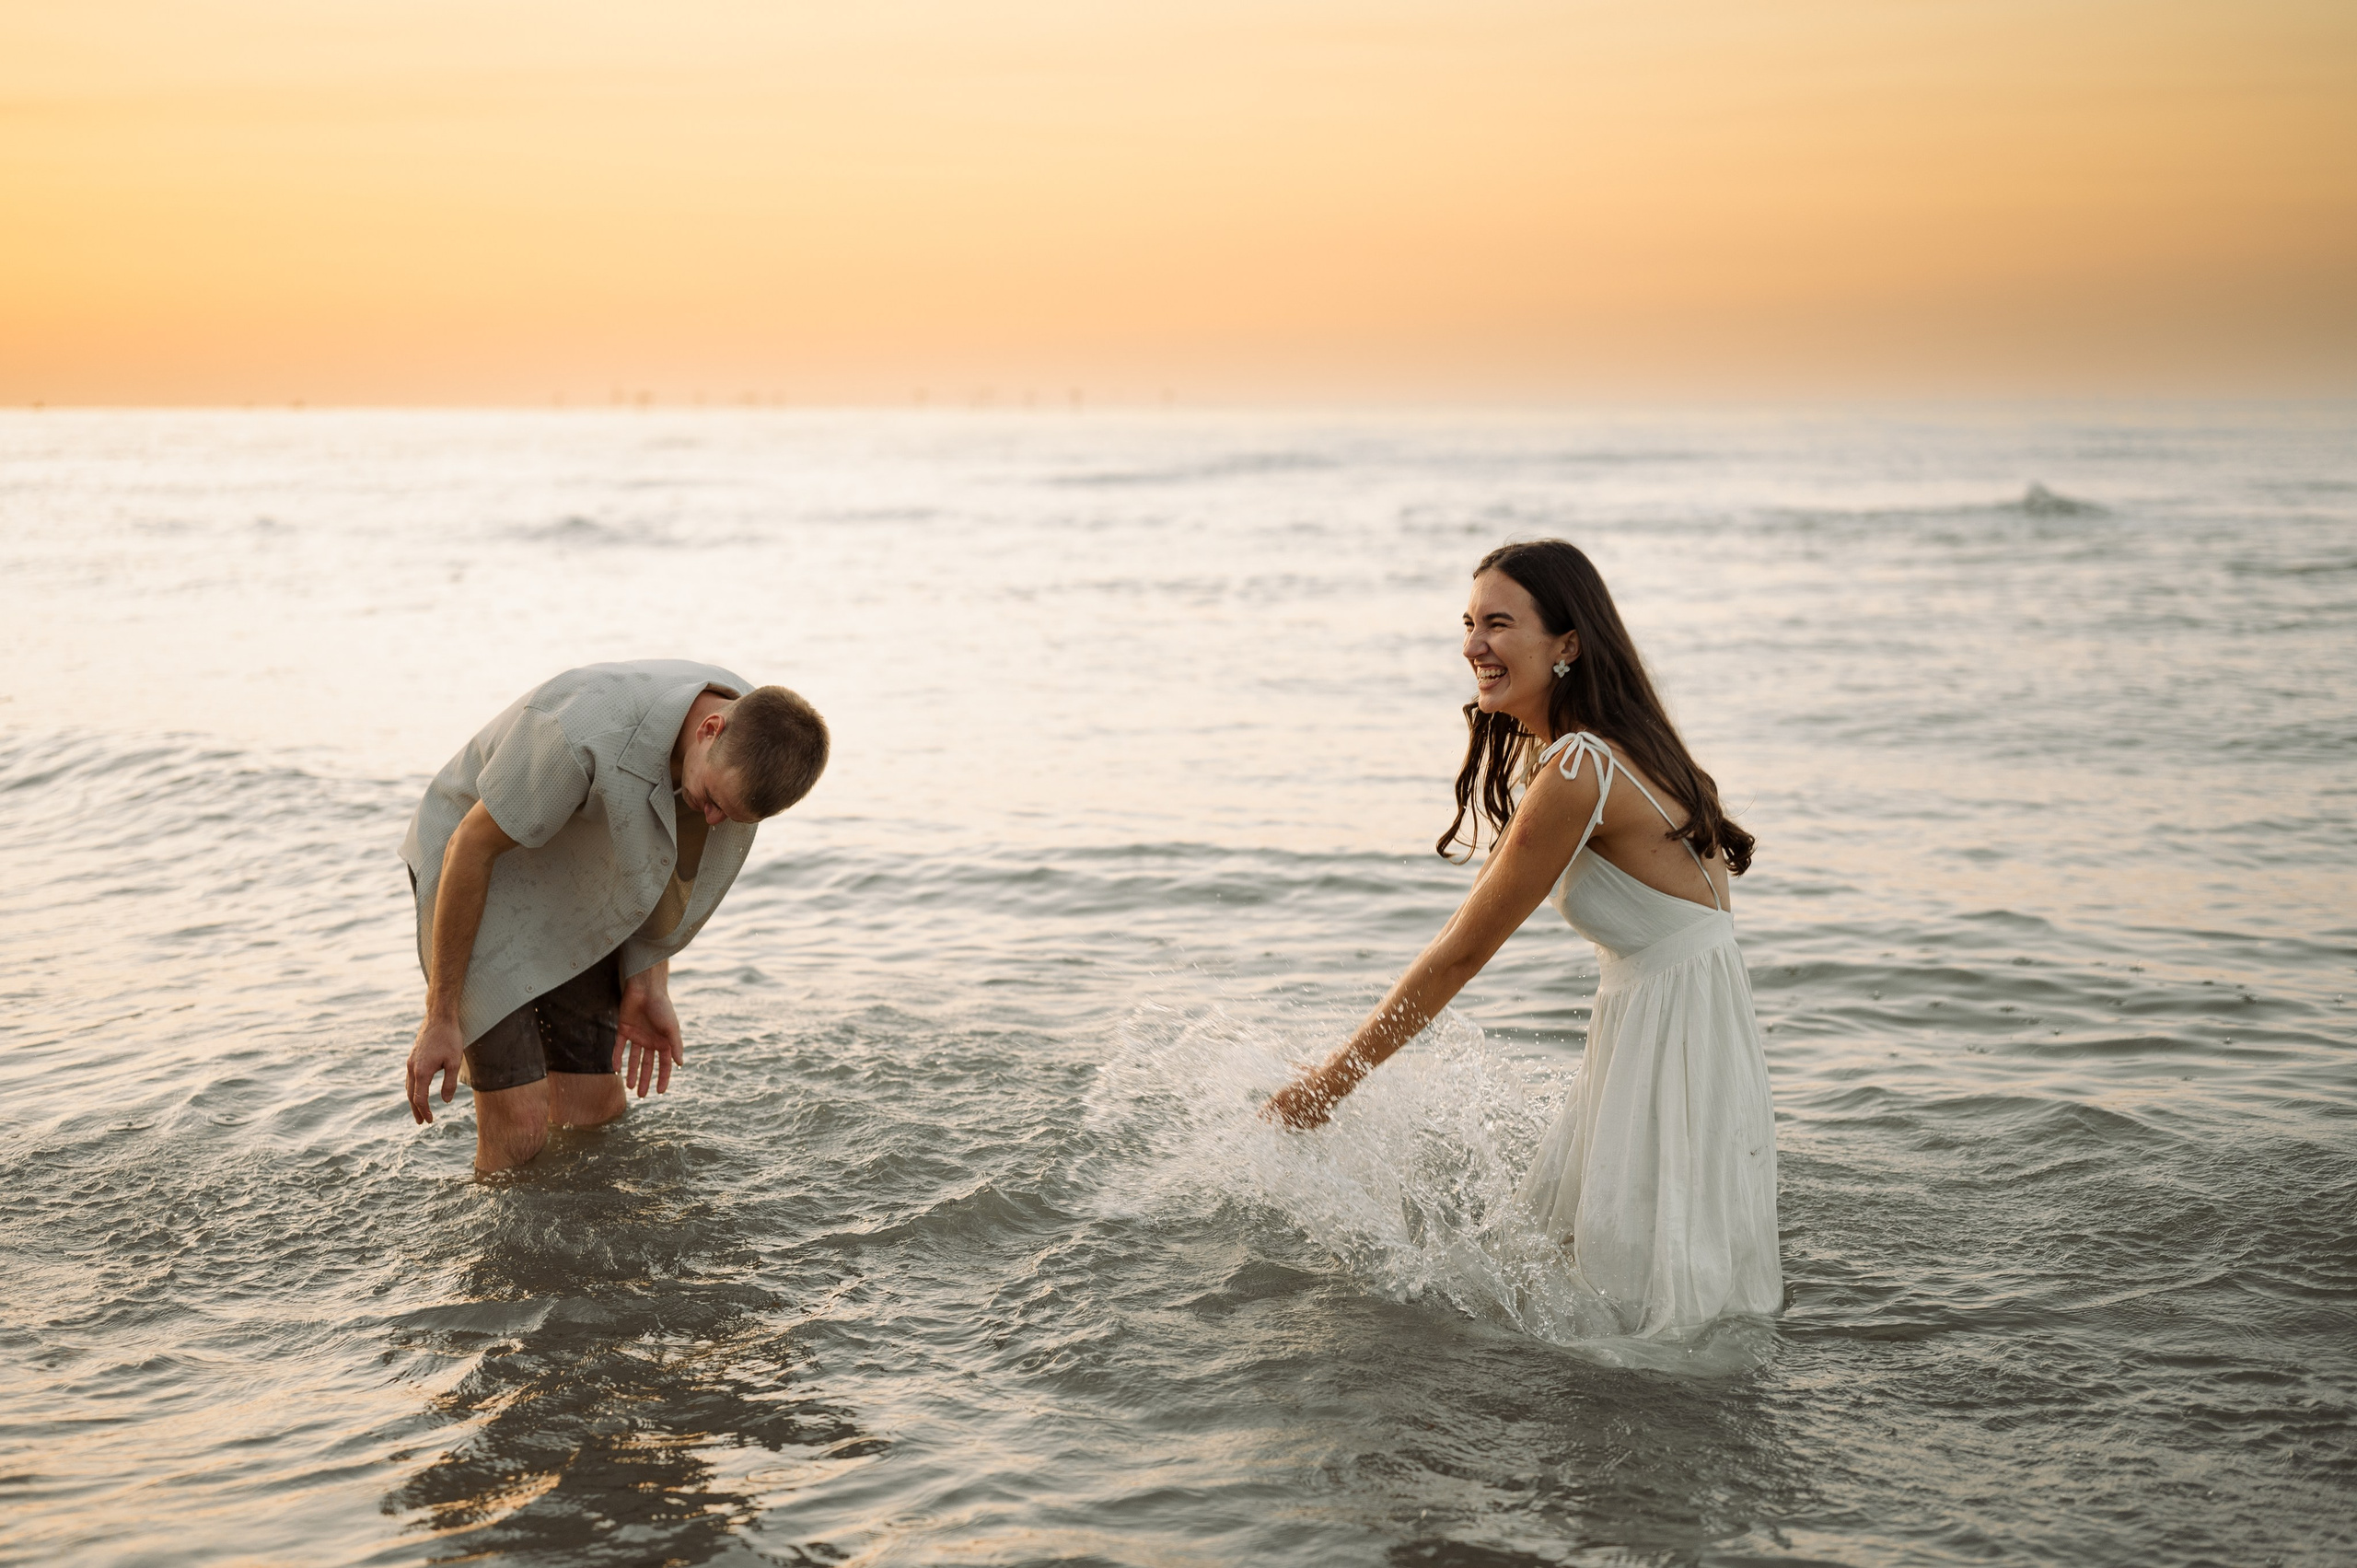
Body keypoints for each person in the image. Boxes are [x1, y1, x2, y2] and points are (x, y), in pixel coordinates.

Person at [1265, 540, 1781, 1337]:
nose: (1473, 645)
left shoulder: (1579, 767)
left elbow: (1461, 953)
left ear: (1567, 643)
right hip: (1698, 1028)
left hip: (1666, 1034)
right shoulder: (1629, 746)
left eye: (1497, 624)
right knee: (1661, 1283)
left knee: (1629, 1314)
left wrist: (1327, 1087)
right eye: (1469, 624)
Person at [401, 659, 829, 1172]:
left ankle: (567, 1244)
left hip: (572, 871)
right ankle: (493, 1248)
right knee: (521, 1124)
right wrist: (441, 1014)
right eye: (712, 802)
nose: (713, 819)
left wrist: (648, 984)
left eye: (729, 816)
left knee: (595, 1109)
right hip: (473, 866)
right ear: (709, 729)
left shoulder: (754, 740)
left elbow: (667, 863)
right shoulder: (578, 732)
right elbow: (467, 848)